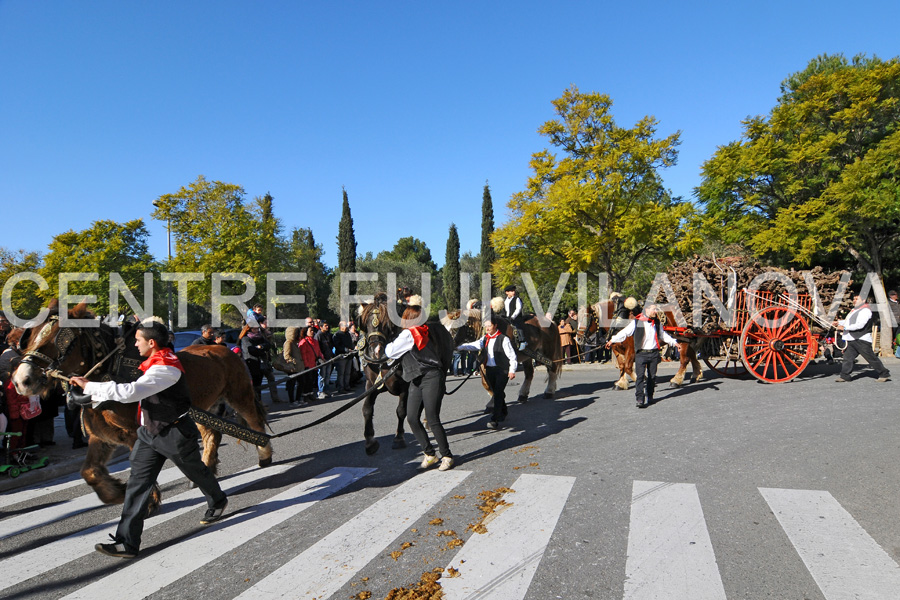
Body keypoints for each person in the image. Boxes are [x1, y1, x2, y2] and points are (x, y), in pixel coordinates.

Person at [68, 320, 228, 559]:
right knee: (137, 486)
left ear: (151, 343)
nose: (134, 344)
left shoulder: (167, 367)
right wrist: (89, 392)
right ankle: (126, 542)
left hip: (174, 433)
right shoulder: (152, 362)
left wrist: (90, 386)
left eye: (138, 340)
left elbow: (131, 392)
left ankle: (217, 499)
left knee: (196, 472)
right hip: (148, 433)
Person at [385, 303, 455, 471]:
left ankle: (447, 456)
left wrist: (385, 346)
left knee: (432, 418)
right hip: (417, 378)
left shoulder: (409, 333)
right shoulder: (423, 330)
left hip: (430, 376)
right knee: (412, 417)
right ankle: (430, 454)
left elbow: (390, 352)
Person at [607, 304, 679, 408]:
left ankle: (650, 395)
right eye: (654, 309)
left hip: (654, 353)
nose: (655, 311)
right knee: (640, 377)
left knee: (652, 377)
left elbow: (663, 335)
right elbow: (625, 332)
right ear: (647, 310)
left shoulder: (657, 322)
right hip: (641, 353)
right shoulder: (637, 322)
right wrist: (612, 340)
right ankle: (640, 398)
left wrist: (674, 343)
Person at [456, 315, 517, 430]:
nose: (487, 328)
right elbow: (474, 345)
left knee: (498, 392)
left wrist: (512, 370)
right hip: (490, 369)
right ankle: (503, 411)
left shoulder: (504, 339)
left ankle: (495, 418)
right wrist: (460, 347)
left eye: (489, 326)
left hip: (502, 370)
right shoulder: (485, 339)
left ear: (495, 326)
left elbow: (512, 356)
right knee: (496, 392)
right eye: (486, 326)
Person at [833, 294, 891, 383]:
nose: (854, 300)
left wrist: (845, 328)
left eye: (857, 299)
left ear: (863, 301)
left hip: (862, 339)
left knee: (870, 358)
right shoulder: (854, 310)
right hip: (852, 338)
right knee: (847, 358)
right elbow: (849, 321)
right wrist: (839, 322)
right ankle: (845, 376)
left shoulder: (866, 311)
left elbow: (860, 324)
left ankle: (884, 373)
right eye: (854, 299)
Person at [239, 319, 272, 402]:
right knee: (252, 386)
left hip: (261, 364)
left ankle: (259, 402)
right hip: (251, 364)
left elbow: (268, 345)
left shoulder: (260, 337)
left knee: (259, 385)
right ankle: (253, 403)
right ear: (249, 329)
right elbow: (251, 350)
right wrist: (260, 349)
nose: (257, 330)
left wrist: (260, 347)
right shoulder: (245, 339)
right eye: (255, 329)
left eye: (258, 328)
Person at [298, 325, 323, 402]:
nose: (312, 332)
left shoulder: (315, 341)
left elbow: (318, 351)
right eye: (310, 331)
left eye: (313, 330)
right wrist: (306, 365)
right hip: (308, 365)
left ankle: (311, 394)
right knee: (307, 381)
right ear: (306, 332)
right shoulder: (304, 342)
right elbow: (303, 354)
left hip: (314, 364)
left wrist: (321, 357)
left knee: (312, 380)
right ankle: (306, 395)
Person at [282, 326, 307, 406]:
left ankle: (298, 399)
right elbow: (286, 355)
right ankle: (292, 401)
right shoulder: (288, 343)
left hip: (299, 367)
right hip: (293, 367)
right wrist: (294, 361)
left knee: (301, 383)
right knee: (291, 384)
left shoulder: (295, 343)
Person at [332, 321, 354, 393]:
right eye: (345, 325)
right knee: (341, 373)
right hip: (341, 356)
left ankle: (347, 386)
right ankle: (341, 388)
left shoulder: (347, 333)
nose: (347, 327)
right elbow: (337, 345)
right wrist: (346, 349)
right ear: (340, 326)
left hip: (349, 356)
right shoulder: (337, 335)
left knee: (348, 373)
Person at [503, 285, 526, 350]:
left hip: (516, 318)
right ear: (507, 292)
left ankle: (522, 341)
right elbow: (506, 310)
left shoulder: (517, 299)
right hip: (507, 318)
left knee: (517, 326)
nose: (513, 292)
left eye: (514, 291)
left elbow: (518, 308)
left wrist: (513, 316)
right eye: (511, 291)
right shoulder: (505, 301)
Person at [315, 321, 335, 399]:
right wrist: (320, 358)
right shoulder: (318, 335)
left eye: (327, 325)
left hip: (329, 358)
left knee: (327, 375)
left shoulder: (328, 335)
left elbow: (330, 346)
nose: (327, 327)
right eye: (325, 325)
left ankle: (327, 390)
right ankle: (321, 391)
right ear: (321, 327)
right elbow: (317, 348)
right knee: (322, 376)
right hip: (322, 359)